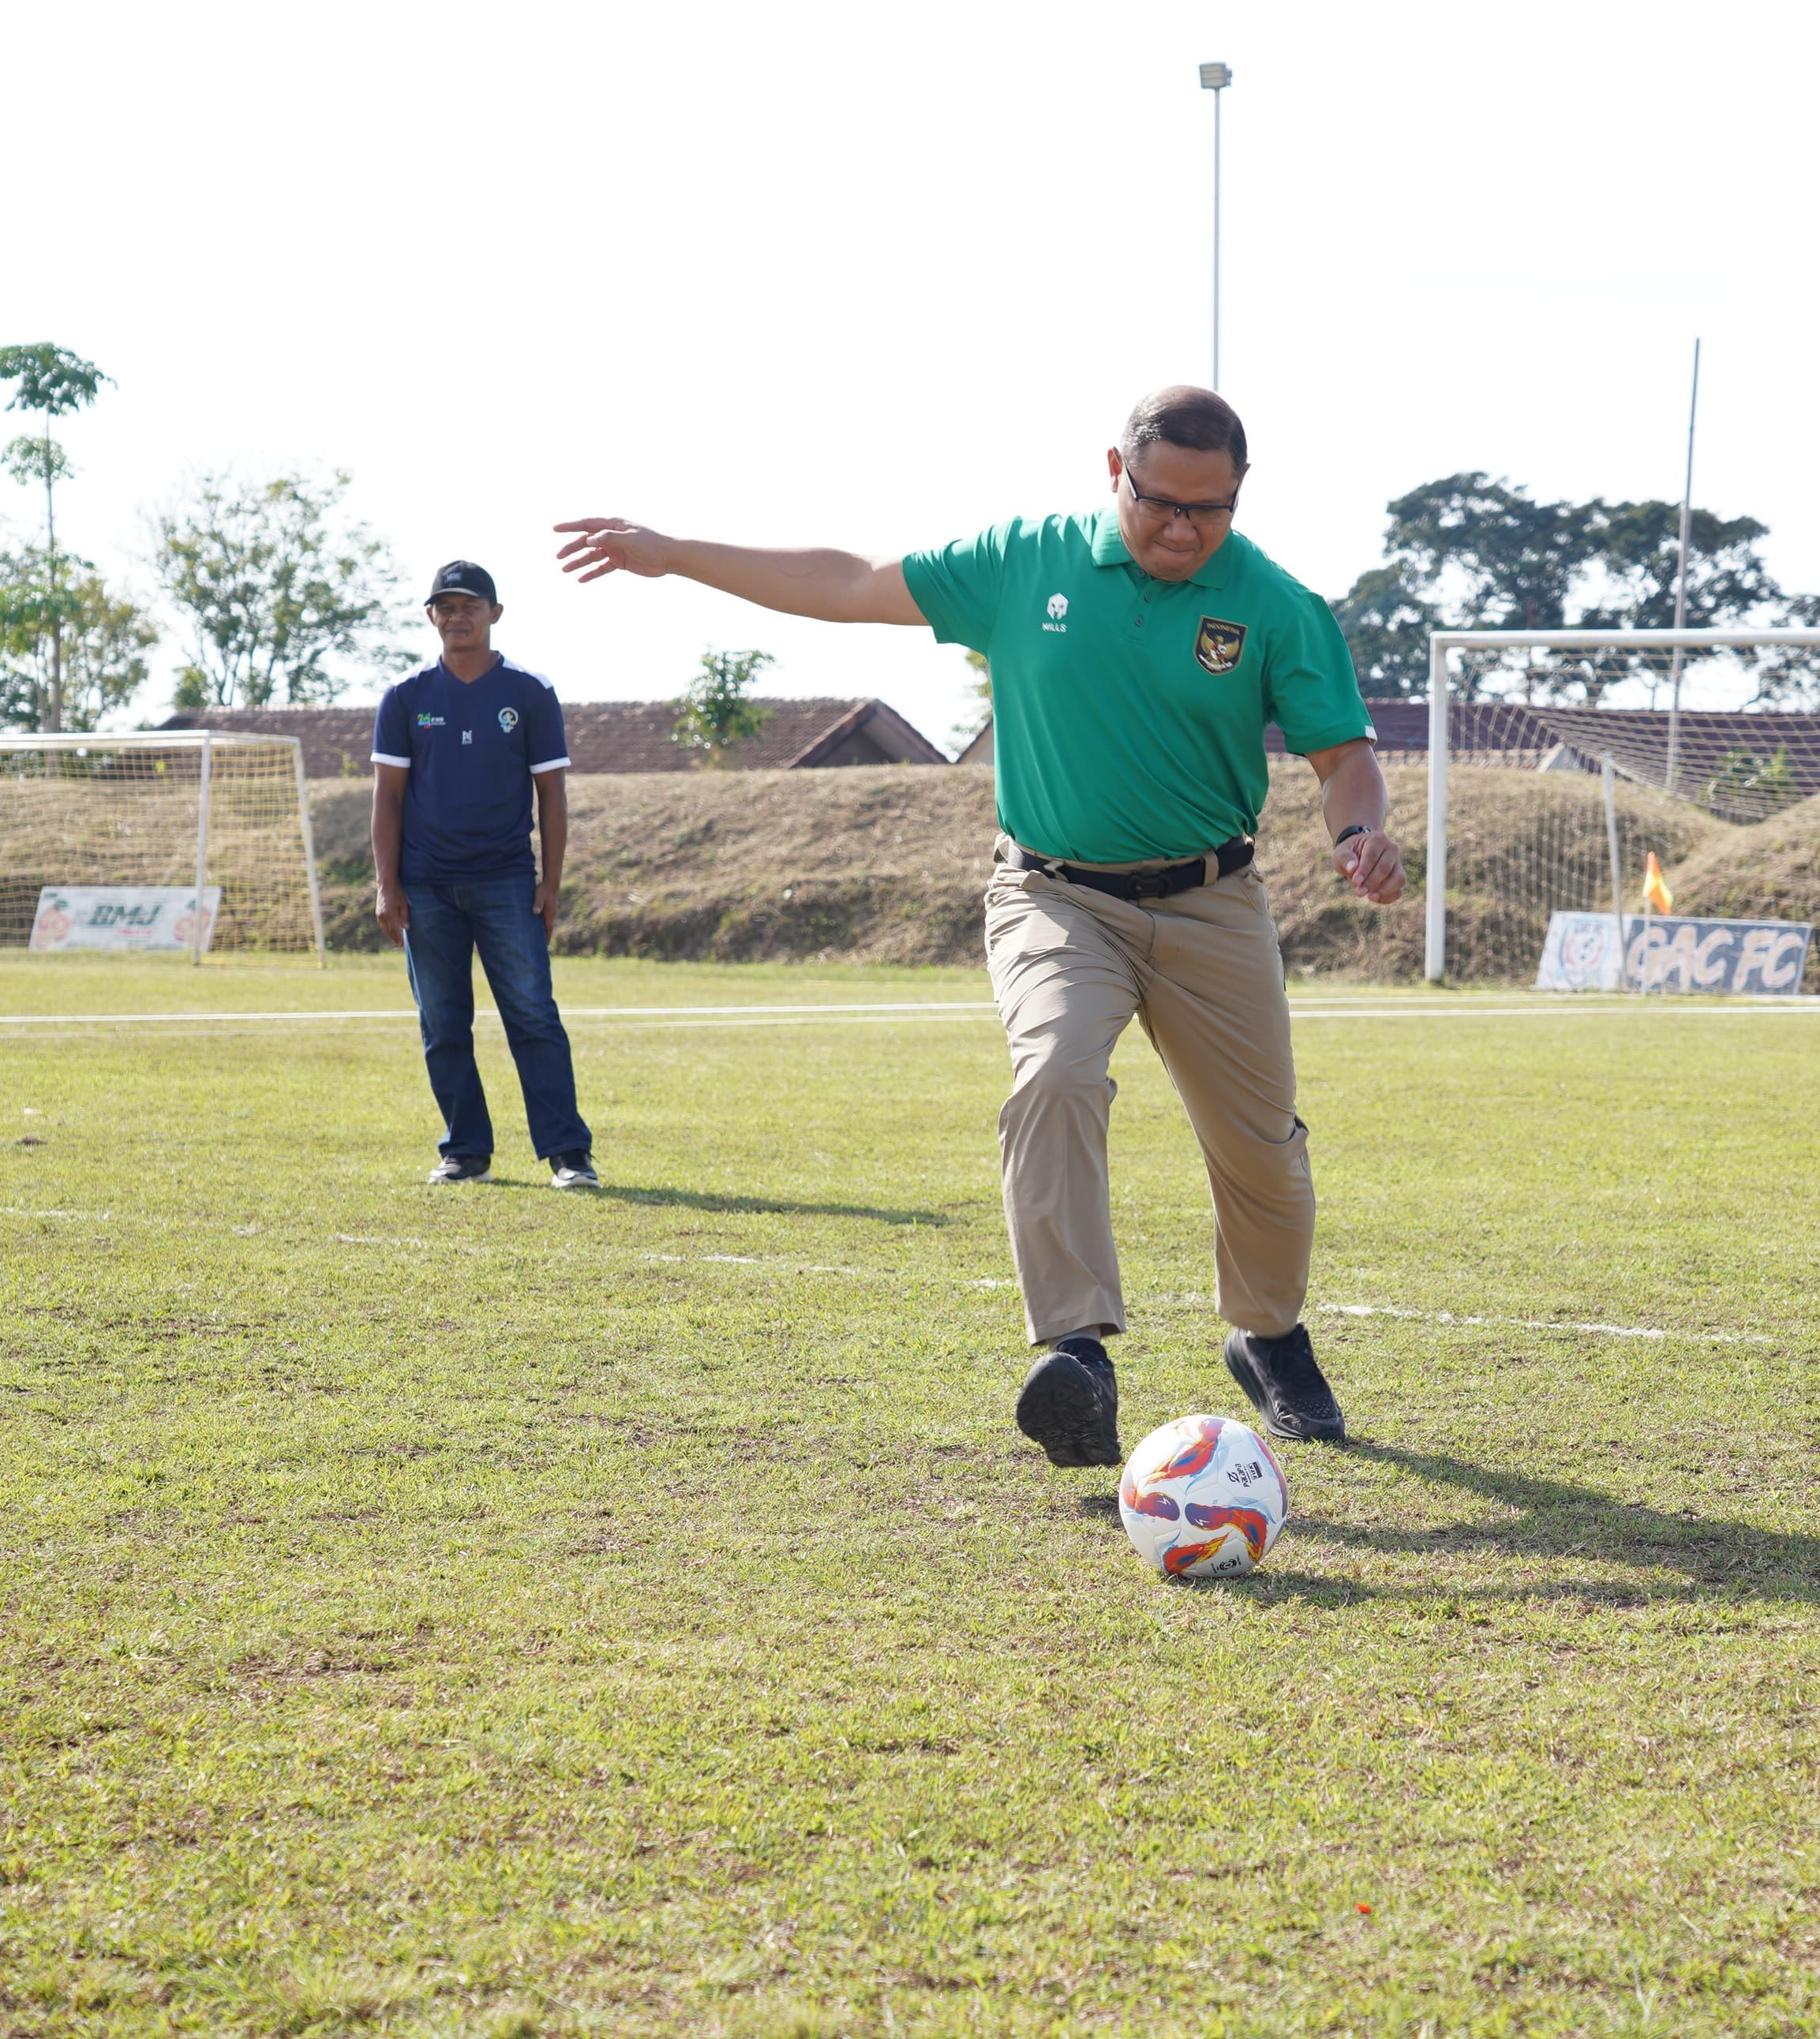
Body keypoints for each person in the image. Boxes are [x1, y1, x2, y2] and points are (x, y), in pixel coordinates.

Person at [553, 387, 1404, 1463]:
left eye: (1211, 509)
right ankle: (1076, 1357)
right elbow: (848, 583)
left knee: (1262, 1149)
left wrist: (1359, 833)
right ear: (1114, 471)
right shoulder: (1024, 563)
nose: (1183, 529)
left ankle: (1269, 1337)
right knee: (1053, 1075)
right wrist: (676, 552)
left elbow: (1345, 759)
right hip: (1054, 894)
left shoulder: (1276, 604)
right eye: (1161, 504)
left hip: (1212, 901)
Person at [371, 560, 601, 1190]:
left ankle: (568, 1154)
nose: (457, 616)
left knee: (532, 1016)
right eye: (445, 606)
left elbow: (551, 793)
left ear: (495, 613)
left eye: (470, 604)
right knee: (443, 1022)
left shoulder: (529, 692)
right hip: (425, 887)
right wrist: (387, 885)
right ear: (431, 617)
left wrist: (550, 881)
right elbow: (388, 797)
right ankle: (465, 1151)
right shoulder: (406, 697)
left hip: (506, 881)